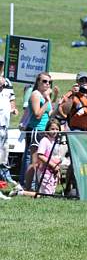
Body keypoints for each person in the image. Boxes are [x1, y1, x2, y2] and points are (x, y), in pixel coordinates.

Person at [23, 72, 55, 191]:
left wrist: (58, 101)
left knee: (40, 162)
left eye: (49, 82)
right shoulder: (36, 94)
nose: (47, 84)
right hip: (36, 130)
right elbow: (37, 114)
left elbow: (50, 113)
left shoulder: (44, 95)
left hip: (44, 131)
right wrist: (47, 100)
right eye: (44, 81)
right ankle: (27, 187)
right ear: (38, 82)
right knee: (35, 161)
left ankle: (36, 187)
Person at [0, 62, 20, 196]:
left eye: (1, 64)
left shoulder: (7, 81)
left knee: (3, 156)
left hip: (5, 126)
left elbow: (11, 97)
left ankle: (5, 181)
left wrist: (14, 108)